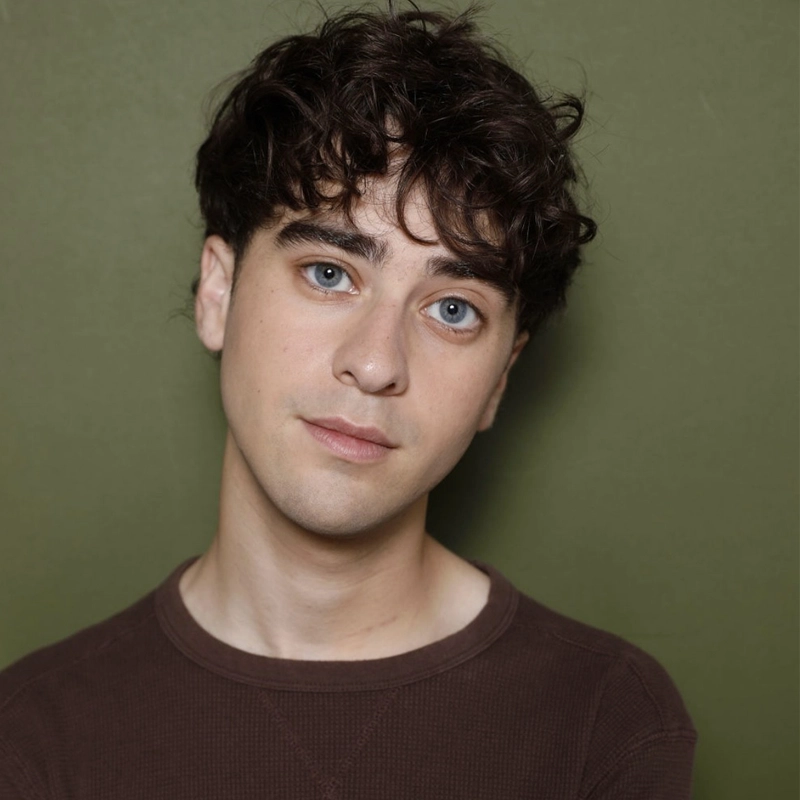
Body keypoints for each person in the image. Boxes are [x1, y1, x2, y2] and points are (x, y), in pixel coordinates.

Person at [0, 5, 696, 798]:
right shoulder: (29, 739)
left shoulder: (605, 723)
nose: (374, 364)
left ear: (500, 379)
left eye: (453, 309)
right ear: (219, 293)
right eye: (330, 273)